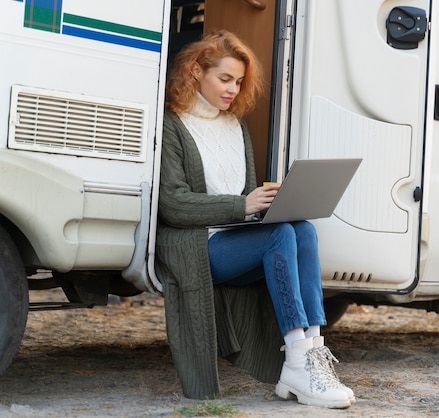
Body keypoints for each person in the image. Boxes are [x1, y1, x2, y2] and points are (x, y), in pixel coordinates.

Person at [156, 29, 354, 409]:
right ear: (196, 71)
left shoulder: (236, 127)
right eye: (225, 78)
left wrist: (267, 203)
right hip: (197, 244)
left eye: (239, 82)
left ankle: (312, 351)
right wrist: (243, 206)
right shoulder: (172, 125)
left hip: (238, 238)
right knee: (279, 235)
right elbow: (173, 205)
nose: (233, 90)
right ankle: (297, 362)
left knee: (302, 229)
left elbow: (246, 195)